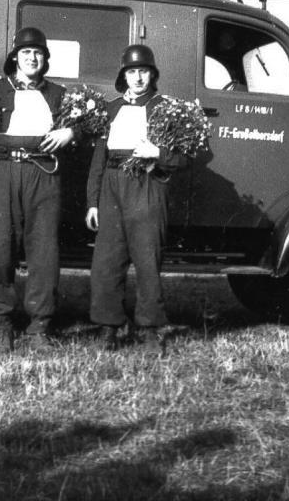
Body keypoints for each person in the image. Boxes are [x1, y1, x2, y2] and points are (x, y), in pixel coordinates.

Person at [0, 27, 76, 352]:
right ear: (15, 57)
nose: (32, 57)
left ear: (45, 60)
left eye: (38, 53)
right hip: (3, 173)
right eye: (26, 52)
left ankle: (39, 327)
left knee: (44, 253)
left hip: (43, 174)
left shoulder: (58, 93)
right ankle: (3, 327)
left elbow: (90, 121)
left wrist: (71, 132)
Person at [85, 44, 187, 355]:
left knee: (146, 260)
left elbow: (181, 157)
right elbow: (98, 160)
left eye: (143, 71)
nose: (138, 77)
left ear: (152, 75)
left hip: (146, 184)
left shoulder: (164, 108)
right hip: (111, 188)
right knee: (107, 261)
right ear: (124, 76)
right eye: (132, 72)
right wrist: (92, 202)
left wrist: (158, 153)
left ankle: (149, 330)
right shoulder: (111, 109)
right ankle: (108, 327)